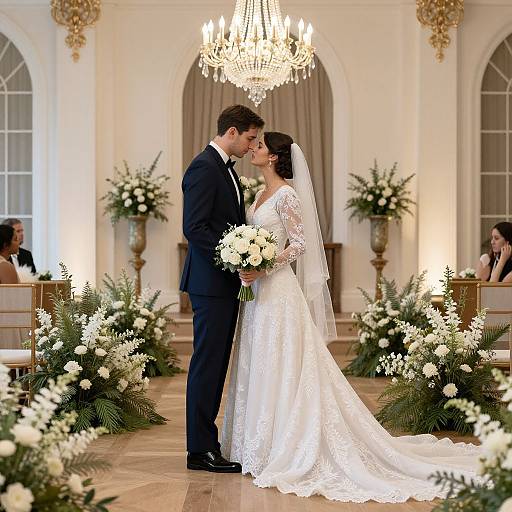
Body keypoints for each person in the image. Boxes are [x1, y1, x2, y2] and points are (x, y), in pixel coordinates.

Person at [221, 132, 480, 503]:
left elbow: (299, 243)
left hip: (277, 291)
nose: (254, 149)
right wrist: (246, 264)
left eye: (260, 146)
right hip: (257, 294)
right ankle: (254, 446)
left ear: (275, 157)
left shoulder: (287, 195)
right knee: (259, 362)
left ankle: (284, 444)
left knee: (283, 363)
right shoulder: (259, 195)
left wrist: (263, 266)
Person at [180, 105, 265, 473]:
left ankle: (206, 443)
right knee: (207, 365)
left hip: (222, 285)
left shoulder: (225, 170)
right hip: (210, 284)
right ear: (232, 132)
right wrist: (235, 256)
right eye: (249, 138)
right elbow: (194, 228)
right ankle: (199, 449)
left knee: (215, 367)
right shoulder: (204, 167)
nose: (252, 146)